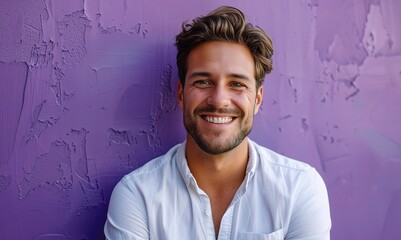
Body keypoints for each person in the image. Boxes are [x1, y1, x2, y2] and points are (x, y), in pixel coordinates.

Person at [104, 6, 331, 240]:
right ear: (181, 94)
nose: (219, 100)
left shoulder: (299, 189)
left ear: (257, 100)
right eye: (203, 82)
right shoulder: (137, 196)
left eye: (237, 84)